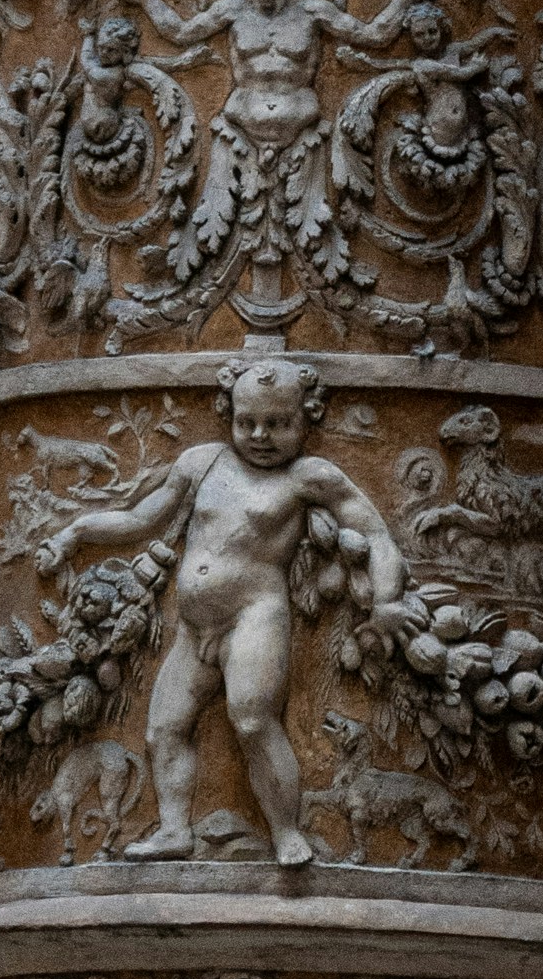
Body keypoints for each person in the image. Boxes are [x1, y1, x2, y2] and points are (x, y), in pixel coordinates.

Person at [34, 353, 405, 866]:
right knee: (164, 728)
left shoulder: (309, 477)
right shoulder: (203, 462)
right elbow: (142, 517)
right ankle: (173, 831)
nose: (259, 435)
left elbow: (377, 535)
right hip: (194, 628)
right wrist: (74, 533)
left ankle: (286, 833)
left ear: (305, 419)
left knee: (252, 719)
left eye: (277, 424)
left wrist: (385, 602)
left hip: (255, 615)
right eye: (246, 421)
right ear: (228, 414)